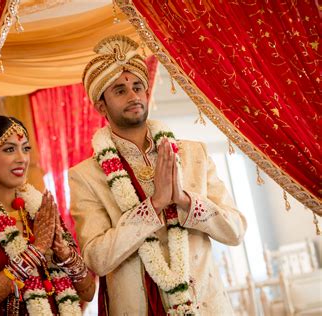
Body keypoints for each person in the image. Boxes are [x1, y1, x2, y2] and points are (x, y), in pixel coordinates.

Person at [69, 35, 247, 315]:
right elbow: (97, 259)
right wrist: (153, 207)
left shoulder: (193, 154)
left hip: (205, 306)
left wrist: (186, 200)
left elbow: (236, 231)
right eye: (119, 90)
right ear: (101, 106)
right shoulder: (86, 176)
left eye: (138, 86)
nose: (133, 95)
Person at [0, 115, 95, 316]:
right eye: (9, 149)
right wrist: (36, 250)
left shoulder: (41, 212)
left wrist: (65, 254)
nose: (22, 158)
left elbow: (89, 291)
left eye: (26, 148)